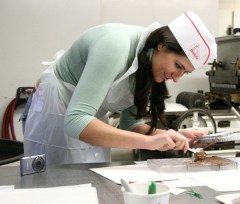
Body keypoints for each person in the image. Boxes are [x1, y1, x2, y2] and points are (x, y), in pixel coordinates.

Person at [23, 11, 216, 165]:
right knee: (56, 181)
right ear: (162, 46)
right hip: (57, 105)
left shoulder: (147, 62)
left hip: (87, 117)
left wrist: (168, 135)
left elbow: (130, 124)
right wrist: (149, 142)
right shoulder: (116, 46)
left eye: (185, 72)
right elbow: (76, 122)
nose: (176, 79)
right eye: (178, 66)